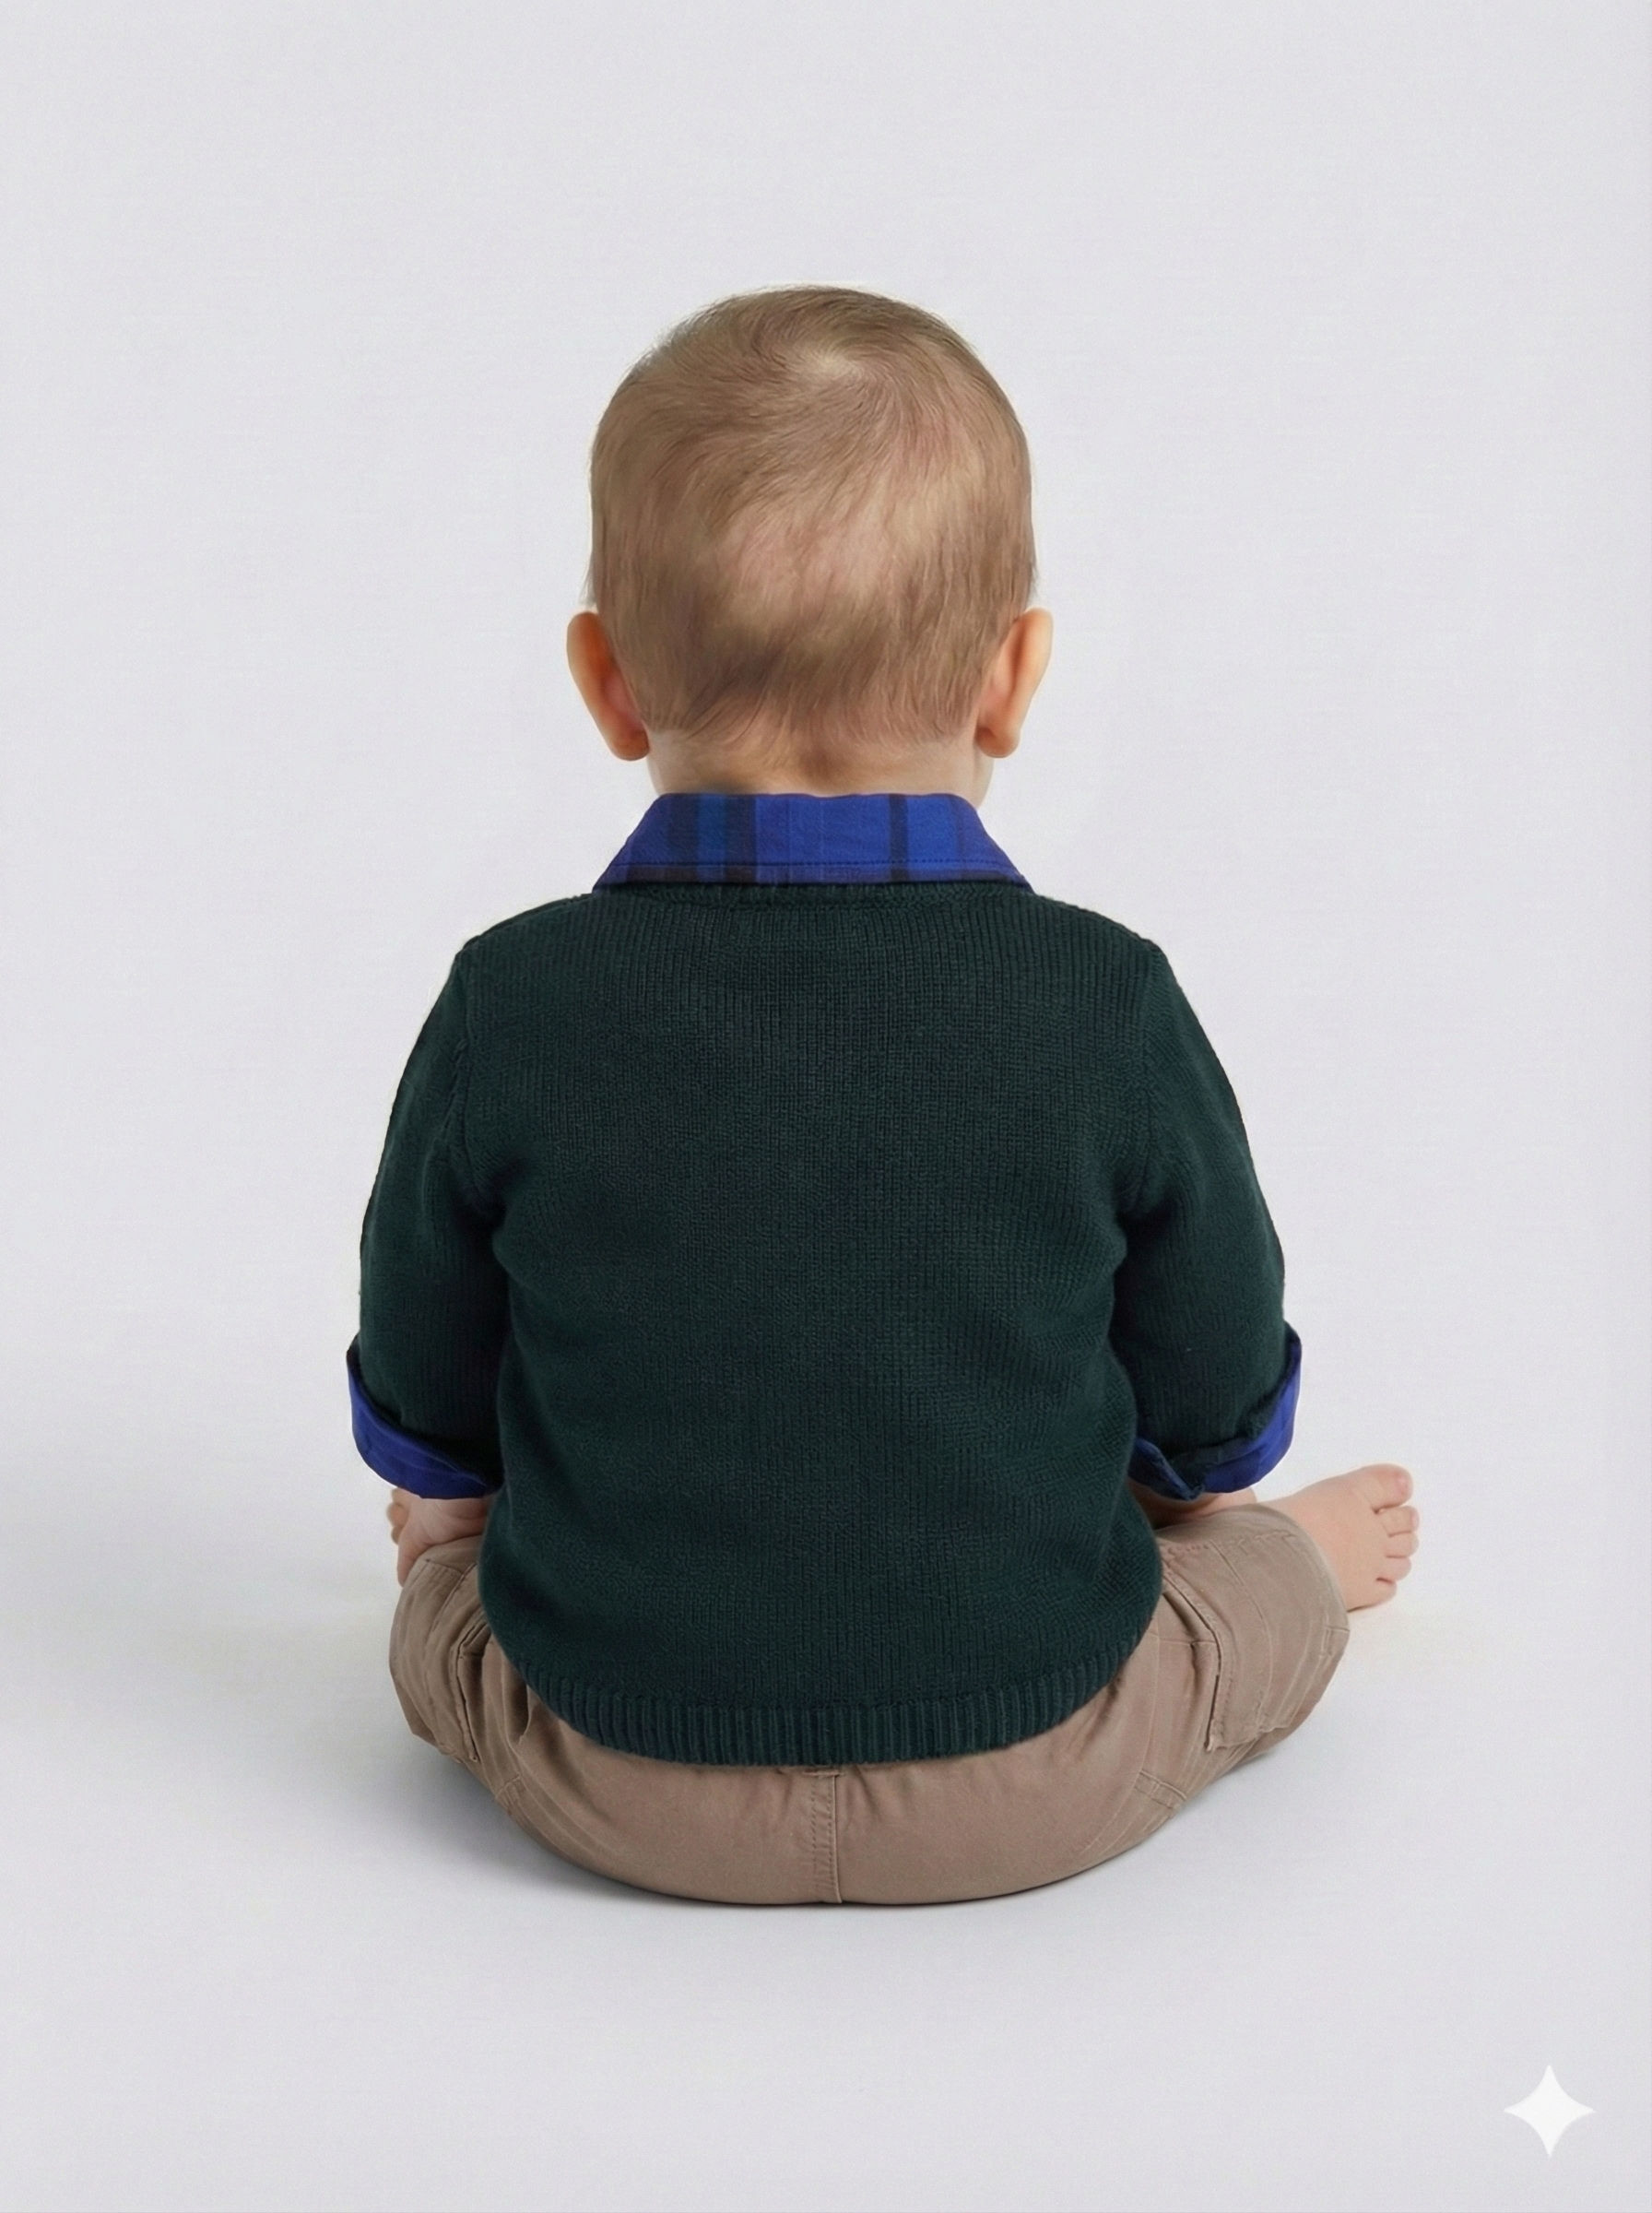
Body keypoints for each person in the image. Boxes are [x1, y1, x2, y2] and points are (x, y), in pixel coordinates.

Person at [348, 286, 1420, 1906]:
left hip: (618, 1769)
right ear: (1014, 677)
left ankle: (468, 1593)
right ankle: (1305, 1582)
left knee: (449, 1614)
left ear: (607, 682)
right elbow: (1211, 1389)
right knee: (1226, 1602)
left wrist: (454, 1516)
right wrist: (1192, 1494)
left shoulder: (514, 999)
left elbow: (429, 1359)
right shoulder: (1105, 1000)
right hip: (1038, 1763)